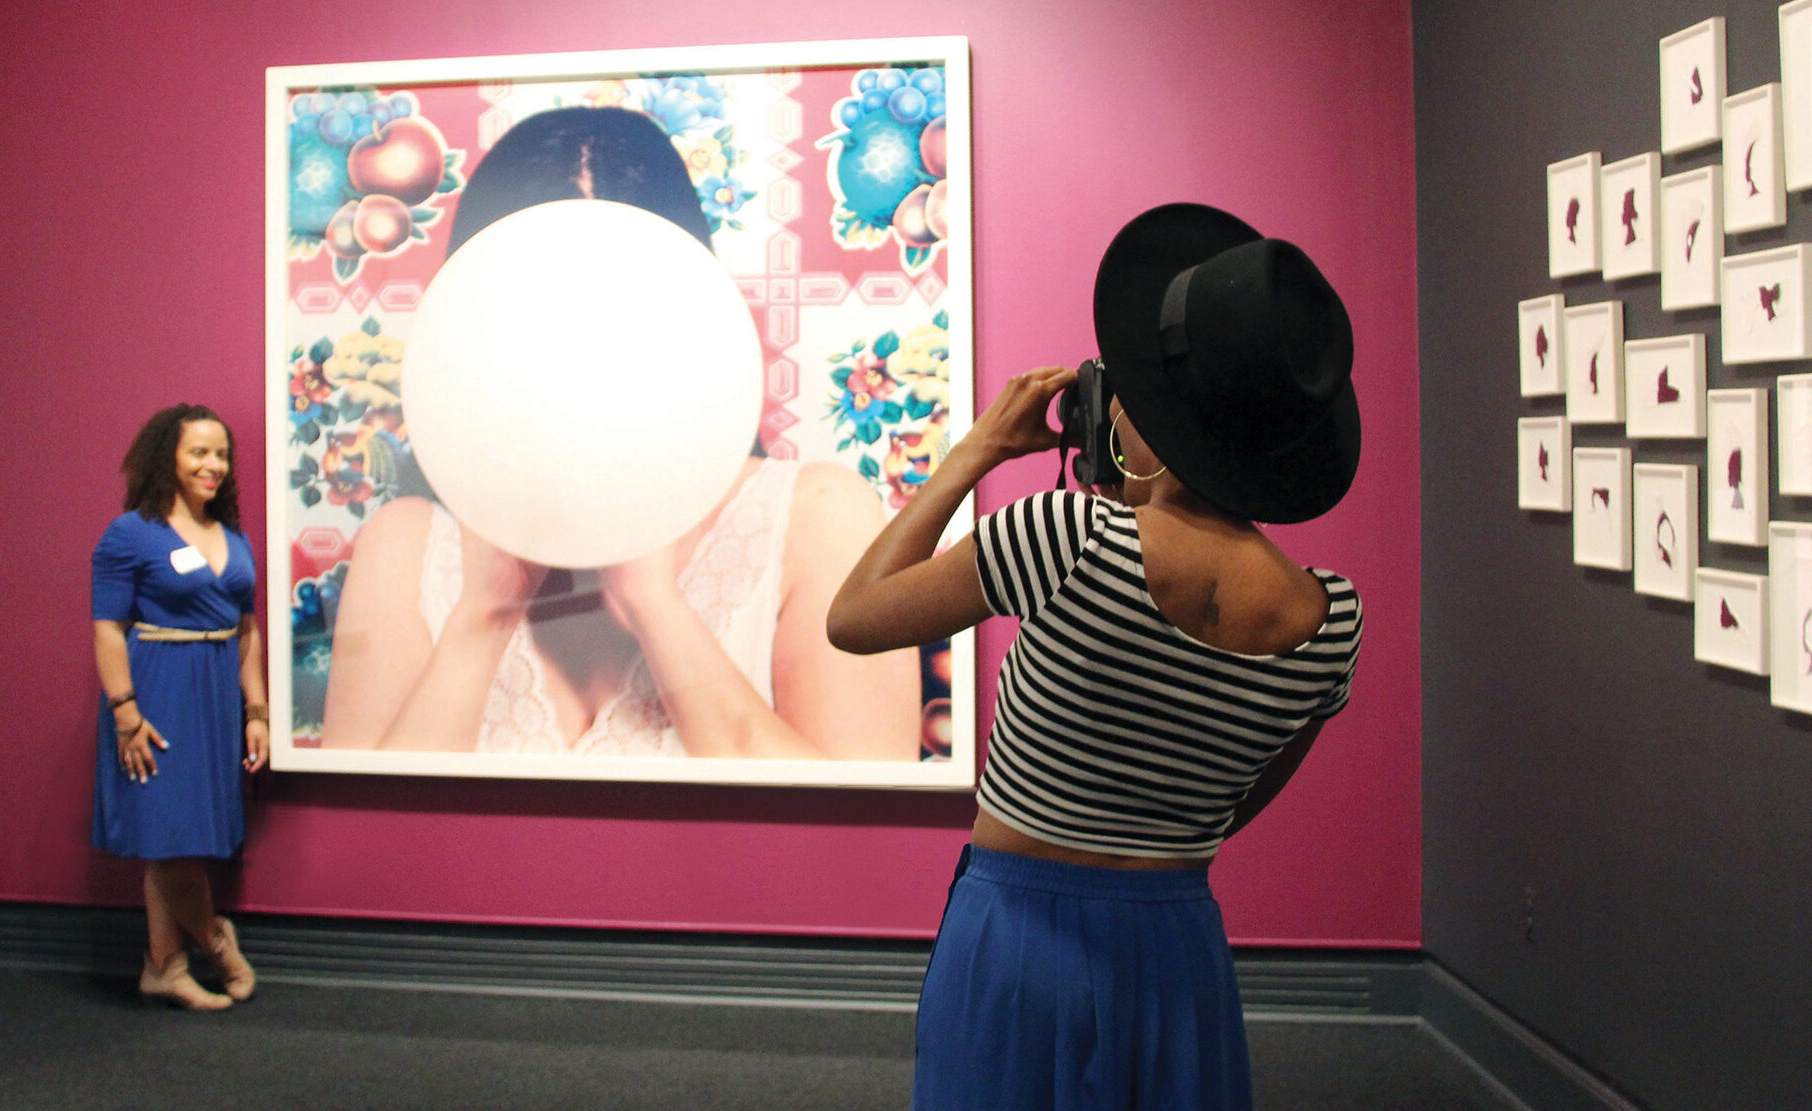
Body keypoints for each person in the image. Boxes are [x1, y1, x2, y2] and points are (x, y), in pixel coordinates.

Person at [827, 203, 1364, 1109]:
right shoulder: (1331, 618)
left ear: (1157, 417)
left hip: (1020, 936)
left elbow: (855, 615)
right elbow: (1232, 809)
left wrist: (978, 450)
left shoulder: (1068, 536)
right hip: (1178, 947)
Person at [318, 106, 919, 759]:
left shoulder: (820, 518)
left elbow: (854, 844)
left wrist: (655, 604)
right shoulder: (406, 544)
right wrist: (482, 612)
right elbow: (364, 835)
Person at [91, 404, 268, 1010]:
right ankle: (217, 943)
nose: (212, 465)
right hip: (157, 695)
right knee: (165, 836)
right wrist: (125, 713)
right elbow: (108, 630)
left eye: (221, 454)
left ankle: (162, 965)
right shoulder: (131, 534)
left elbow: (249, 630)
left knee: (182, 838)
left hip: (216, 694)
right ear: (167, 455)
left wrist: (257, 711)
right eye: (199, 452)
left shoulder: (235, 537)